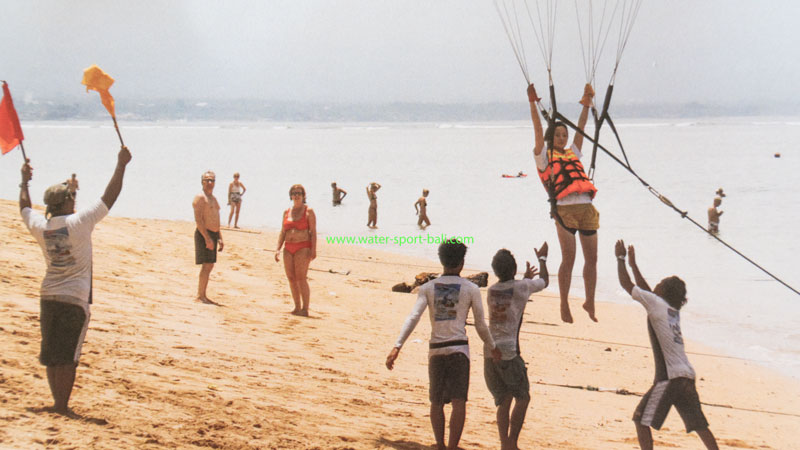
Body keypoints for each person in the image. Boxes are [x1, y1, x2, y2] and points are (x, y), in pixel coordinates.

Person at [19, 146, 131, 415]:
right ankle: (61, 406)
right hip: (74, 299)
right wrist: (121, 165)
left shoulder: (41, 226)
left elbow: (24, 206)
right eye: (72, 196)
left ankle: (56, 402)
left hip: (48, 295)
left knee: (51, 353)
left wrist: (24, 181)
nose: (75, 199)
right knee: (68, 355)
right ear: (67, 202)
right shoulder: (79, 222)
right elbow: (108, 198)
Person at [386, 239, 501, 450]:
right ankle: (452, 446)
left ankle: (439, 444)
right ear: (462, 263)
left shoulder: (428, 288)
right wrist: (492, 346)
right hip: (459, 350)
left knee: (436, 401)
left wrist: (397, 346)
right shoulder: (471, 288)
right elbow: (480, 325)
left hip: (436, 350)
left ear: (441, 261)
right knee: (459, 402)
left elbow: (413, 317)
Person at [614, 240, 719, 450]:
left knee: (640, 419)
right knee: (699, 425)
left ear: (662, 291)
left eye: (660, 283)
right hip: (687, 375)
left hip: (669, 379)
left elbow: (628, 285)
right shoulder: (671, 311)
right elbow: (646, 291)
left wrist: (621, 258)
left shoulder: (655, 304)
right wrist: (634, 265)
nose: (656, 285)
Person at [527, 82, 598, 323]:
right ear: (551, 137)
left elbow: (582, 126)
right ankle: (564, 303)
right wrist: (532, 103)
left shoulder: (572, 153)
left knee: (592, 259)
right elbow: (538, 131)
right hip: (564, 210)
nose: (561, 138)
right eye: (557, 135)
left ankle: (589, 300)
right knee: (570, 259)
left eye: (564, 135)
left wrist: (587, 103)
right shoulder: (544, 157)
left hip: (586, 207)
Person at [484, 243, 548, 450]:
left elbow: (513, 290)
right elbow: (544, 281)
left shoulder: (492, 290)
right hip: (509, 352)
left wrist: (523, 279)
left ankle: (505, 444)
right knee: (523, 397)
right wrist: (543, 260)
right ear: (514, 269)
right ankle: (512, 443)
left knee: (503, 399)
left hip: (489, 352)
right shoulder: (521, 287)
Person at [274, 184, 317, 316]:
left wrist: (313, 250)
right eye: (294, 193)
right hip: (288, 248)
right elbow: (282, 232)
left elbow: (313, 232)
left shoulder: (309, 211)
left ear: (303, 195)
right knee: (291, 278)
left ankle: (305, 308)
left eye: (299, 193)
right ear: (291, 195)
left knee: (301, 278)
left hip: (303, 247)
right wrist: (277, 249)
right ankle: (297, 307)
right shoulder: (286, 212)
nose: (296, 195)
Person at [193, 171, 224, 304]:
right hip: (204, 234)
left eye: (212, 180)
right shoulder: (200, 198)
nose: (210, 183)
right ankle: (200, 295)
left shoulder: (213, 199)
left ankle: (203, 294)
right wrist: (207, 238)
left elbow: (216, 219)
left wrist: (220, 237)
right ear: (202, 182)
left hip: (213, 234)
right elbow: (199, 220)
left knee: (210, 265)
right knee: (206, 265)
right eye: (207, 180)